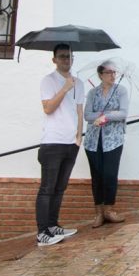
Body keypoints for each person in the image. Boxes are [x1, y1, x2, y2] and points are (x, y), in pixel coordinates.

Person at [36, 44, 84, 246]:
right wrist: (64, 88)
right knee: (47, 188)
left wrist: (78, 137)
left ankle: (53, 225)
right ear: (54, 59)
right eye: (63, 56)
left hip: (70, 143)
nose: (67, 60)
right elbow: (48, 108)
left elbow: (79, 110)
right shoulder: (48, 81)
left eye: (70, 56)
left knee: (60, 188)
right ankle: (42, 233)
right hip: (52, 142)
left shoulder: (79, 82)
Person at [84, 62, 129, 227]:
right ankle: (98, 213)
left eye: (114, 72)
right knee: (97, 176)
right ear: (100, 74)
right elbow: (87, 115)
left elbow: (123, 113)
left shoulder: (121, 91)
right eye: (109, 72)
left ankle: (109, 210)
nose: (112, 75)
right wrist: (100, 116)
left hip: (113, 140)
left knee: (110, 174)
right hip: (93, 140)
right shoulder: (92, 93)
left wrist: (105, 117)